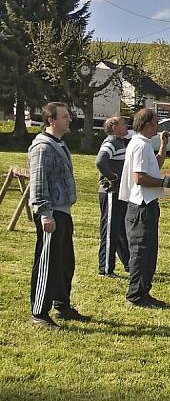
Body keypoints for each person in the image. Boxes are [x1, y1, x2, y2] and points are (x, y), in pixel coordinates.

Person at [28, 102, 88, 328]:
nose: (69, 119)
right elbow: (39, 183)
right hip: (51, 214)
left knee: (64, 262)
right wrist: (45, 213)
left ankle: (62, 305)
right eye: (65, 116)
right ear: (51, 120)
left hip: (63, 212)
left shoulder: (59, 144)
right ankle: (39, 313)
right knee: (48, 263)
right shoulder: (42, 148)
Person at [119, 108, 170, 308]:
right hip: (141, 206)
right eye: (156, 122)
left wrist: (164, 145)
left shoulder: (143, 144)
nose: (158, 126)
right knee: (141, 252)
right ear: (147, 125)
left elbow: (154, 166)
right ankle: (136, 296)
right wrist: (167, 183)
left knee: (148, 252)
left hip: (145, 205)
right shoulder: (139, 146)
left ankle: (143, 292)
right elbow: (139, 178)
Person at [95, 115, 131, 278]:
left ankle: (129, 264)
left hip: (119, 192)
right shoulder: (110, 142)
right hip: (110, 192)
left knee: (120, 229)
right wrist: (113, 177)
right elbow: (100, 161)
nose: (127, 126)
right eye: (124, 123)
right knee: (110, 230)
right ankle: (106, 269)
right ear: (114, 127)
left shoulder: (120, 142)